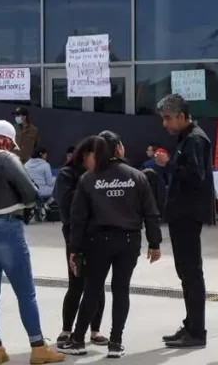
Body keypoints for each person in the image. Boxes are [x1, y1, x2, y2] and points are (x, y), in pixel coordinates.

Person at [0, 120, 65, 364]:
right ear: (4, 140)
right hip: (6, 226)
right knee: (25, 292)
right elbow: (31, 193)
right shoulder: (6, 159)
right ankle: (38, 347)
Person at [69, 133, 162, 358]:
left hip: (98, 241)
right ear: (119, 148)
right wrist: (154, 242)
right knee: (121, 290)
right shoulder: (137, 176)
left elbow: (78, 217)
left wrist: (75, 248)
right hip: (129, 241)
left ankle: (79, 339)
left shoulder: (89, 179)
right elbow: (150, 212)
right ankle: (115, 342)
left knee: (92, 289)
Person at [156, 94, 215, 349]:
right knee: (186, 272)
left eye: (168, 118)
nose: (165, 124)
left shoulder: (195, 139)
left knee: (191, 273)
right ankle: (191, 325)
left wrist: (168, 164)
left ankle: (196, 331)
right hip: (182, 214)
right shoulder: (187, 138)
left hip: (189, 214)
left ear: (181, 116)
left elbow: (194, 176)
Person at [53, 137, 108, 354]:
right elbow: (67, 206)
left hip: (100, 234)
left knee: (97, 284)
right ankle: (67, 329)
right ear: (85, 155)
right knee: (76, 282)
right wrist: (89, 181)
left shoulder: (102, 174)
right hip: (75, 234)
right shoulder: (68, 174)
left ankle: (95, 329)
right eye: (96, 156)